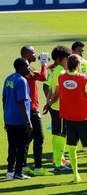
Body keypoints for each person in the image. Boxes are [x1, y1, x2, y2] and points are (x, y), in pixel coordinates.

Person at [48, 54, 87, 183]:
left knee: (72, 147)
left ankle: (76, 176)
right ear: (78, 65)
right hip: (83, 117)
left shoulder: (61, 78)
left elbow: (57, 92)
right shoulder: (83, 79)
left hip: (68, 118)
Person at [20, 46, 53, 176]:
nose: (35, 54)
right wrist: (44, 64)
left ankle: (22, 166)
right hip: (32, 109)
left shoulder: (25, 69)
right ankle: (38, 168)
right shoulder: (28, 70)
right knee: (39, 138)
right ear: (27, 55)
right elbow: (44, 77)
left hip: (28, 108)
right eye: (33, 52)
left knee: (28, 138)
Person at [43, 45, 72, 172]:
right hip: (60, 108)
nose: (68, 62)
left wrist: (49, 102)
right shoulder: (61, 72)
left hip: (55, 107)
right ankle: (58, 164)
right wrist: (51, 101)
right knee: (61, 134)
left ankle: (57, 158)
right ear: (61, 59)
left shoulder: (55, 70)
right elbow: (58, 92)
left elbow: (50, 88)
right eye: (67, 59)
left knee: (56, 133)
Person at [3, 57, 32, 180]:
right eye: (26, 65)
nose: (29, 67)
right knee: (22, 146)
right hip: (20, 119)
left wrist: (5, 116)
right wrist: (28, 121)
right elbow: (21, 102)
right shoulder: (21, 81)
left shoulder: (9, 78)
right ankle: (19, 172)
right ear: (20, 67)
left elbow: (4, 99)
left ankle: (10, 171)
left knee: (12, 145)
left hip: (9, 118)